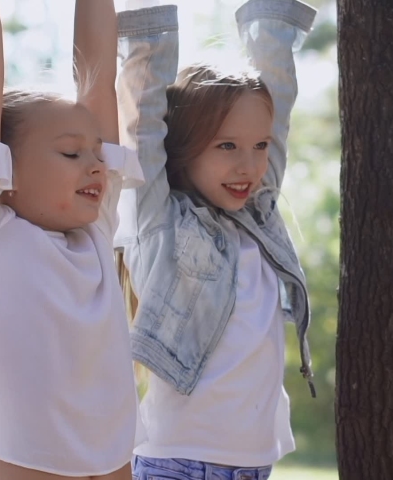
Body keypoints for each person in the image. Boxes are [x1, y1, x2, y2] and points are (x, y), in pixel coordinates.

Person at [114, 0, 317, 478]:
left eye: (259, 146)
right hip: (179, 463)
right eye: (226, 145)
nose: (247, 166)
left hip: (255, 463)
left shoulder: (260, 216)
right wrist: (149, 26)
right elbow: (141, 125)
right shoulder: (162, 226)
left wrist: (273, 20)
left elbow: (277, 105)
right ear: (184, 150)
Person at [0, 0, 143, 479]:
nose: (97, 164)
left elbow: (97, 73)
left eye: (96, 151)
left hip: (114, 464)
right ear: (3, 169)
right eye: (72, 153)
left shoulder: (95, 228)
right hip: (21, 464)